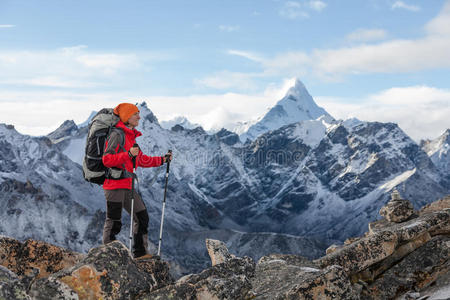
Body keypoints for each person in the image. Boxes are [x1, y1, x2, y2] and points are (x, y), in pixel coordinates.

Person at [102, 103, 172, 259]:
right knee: (114, 221)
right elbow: (107, 160)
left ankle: (140, 254)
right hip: (114, 185)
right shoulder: (117, 135)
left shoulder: (130, 136)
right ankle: (106, 256)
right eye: (135, 114)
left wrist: (162, 160)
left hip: (127, 184)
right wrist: (128, 154)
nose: (139, 117)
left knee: (142, 217)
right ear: (127, 117)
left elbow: (142, 160)